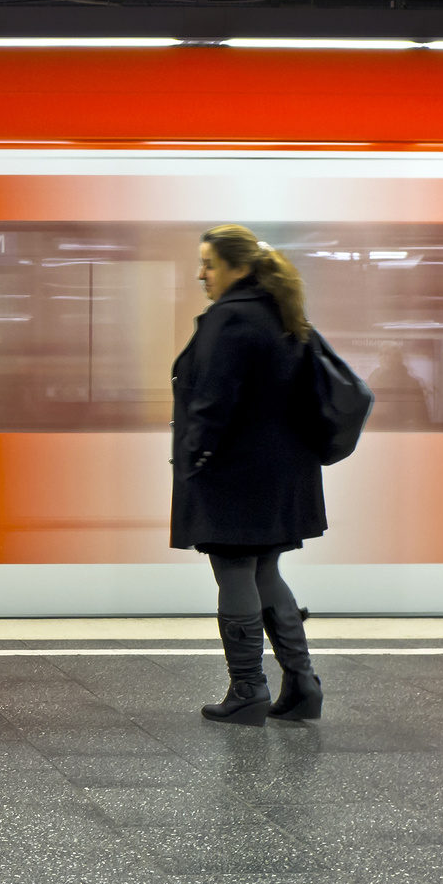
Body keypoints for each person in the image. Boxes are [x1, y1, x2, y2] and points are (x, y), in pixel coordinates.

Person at [171, 224, 324, 726]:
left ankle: (248, 689)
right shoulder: (282, 313)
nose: (201, 274)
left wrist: (194, 460)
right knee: (265, 570)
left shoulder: (230, 320)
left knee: (234, 570)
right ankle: (302, 685)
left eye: (209, 264)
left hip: (235, 473)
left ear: (237, 267)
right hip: (280, 473)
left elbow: (214, 402)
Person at [367, 344, 429, 429]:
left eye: (388, 354)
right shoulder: (372, 380)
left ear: (398, 359)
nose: (384, 357)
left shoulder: (411, 383)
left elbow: (421, 418)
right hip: (374, 433)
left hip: (400, 432)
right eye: (381, 354)